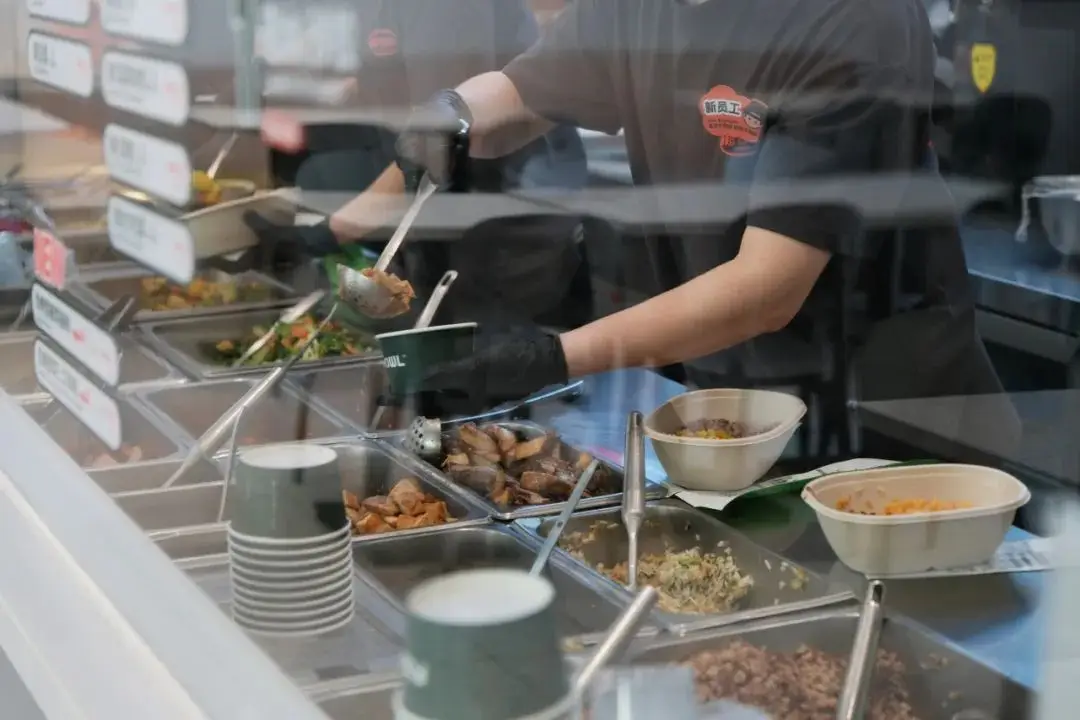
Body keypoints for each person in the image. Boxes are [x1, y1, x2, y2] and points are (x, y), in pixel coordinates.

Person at [373, 0, 1020, 448]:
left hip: (887, 427)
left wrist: (551, 357)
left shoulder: (851, 17)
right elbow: (522, 93)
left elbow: (769, 288)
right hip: (738, 414)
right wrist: (455, 114)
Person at [248, 0, 590, 327]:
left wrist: (327, 232)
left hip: (508, 226)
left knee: (490, 371)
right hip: (441, 211)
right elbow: (383, 85)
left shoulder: (439, 7)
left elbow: (439, 141)